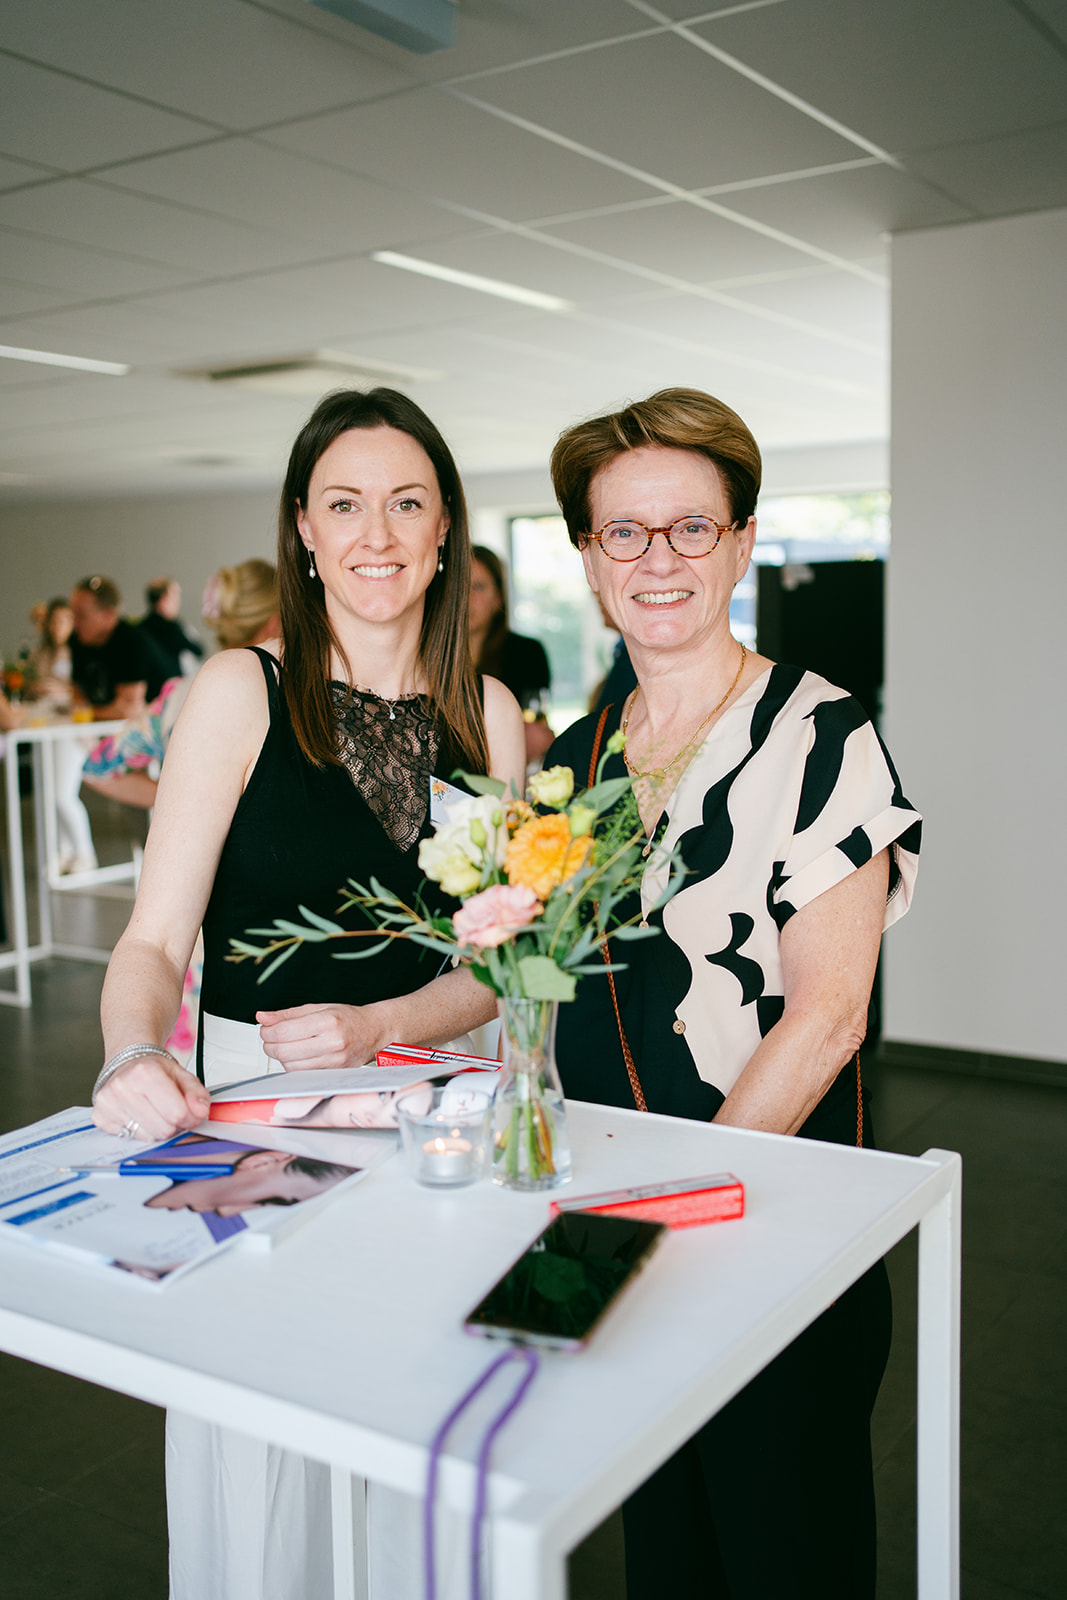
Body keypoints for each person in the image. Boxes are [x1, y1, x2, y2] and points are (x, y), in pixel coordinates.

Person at [90, 388, 525, 1600]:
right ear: (303, 527)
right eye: (344, 504)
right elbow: (154, 939)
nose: (375, 534)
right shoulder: (239, 690)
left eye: (405, 503)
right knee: (267, 1444)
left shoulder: (488, 716)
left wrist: (386, 1025)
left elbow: (493, 969)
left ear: (444, 529)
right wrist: (129, 1050)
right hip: (258, 1122)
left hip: (439, 1120)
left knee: (418, 1436)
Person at [546, 387, 921, 1600]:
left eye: (690, 527)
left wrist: (671, 1213)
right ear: (588, 557)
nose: (656, 559)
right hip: (615, 1228)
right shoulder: (571, 759)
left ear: (741, 541)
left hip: (770, 1233)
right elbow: (539, 976)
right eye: (623, 531)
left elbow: (827, 1017)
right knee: (664, 1557)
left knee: (782, 1556)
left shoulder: (821, 736)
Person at [82, 559, 281, 1062]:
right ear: (277, 618)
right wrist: (185, 795)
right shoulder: (280, 695)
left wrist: (175, 797)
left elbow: (98, 767)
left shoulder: (181, 692)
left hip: (180, 894)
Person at [24, 597, 98, 873]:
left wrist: (61, 691)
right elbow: (30, 684)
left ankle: (85, 852)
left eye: (64, 620)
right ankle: (65, 852)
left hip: (73, 729)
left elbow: (86, 693)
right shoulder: (41, 652)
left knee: (63, 794)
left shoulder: (81, 652)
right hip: (48, 726)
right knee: (51, 793)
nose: (58, 627)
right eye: (54, 621)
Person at [469, 544, 554, 766]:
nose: (466, 598)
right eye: (459, 587)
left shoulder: (527, 653)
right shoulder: (427, 656)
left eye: (478, 587)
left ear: (498, 598)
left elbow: (535, 732)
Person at [69, 575, 169, 716]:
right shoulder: (78, 640)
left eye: (81, 615)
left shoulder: (132, 642)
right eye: (72, 614)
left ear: (109, 615)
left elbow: (128, 710)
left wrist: (87, 713)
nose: (74, 623)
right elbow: (77, 698)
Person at [139, 576, 204, 680]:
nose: (178, 602)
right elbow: (199, 650)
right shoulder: (173, 628)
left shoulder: (139, 629)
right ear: (163, 600)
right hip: (170, 686)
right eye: (174, 597)